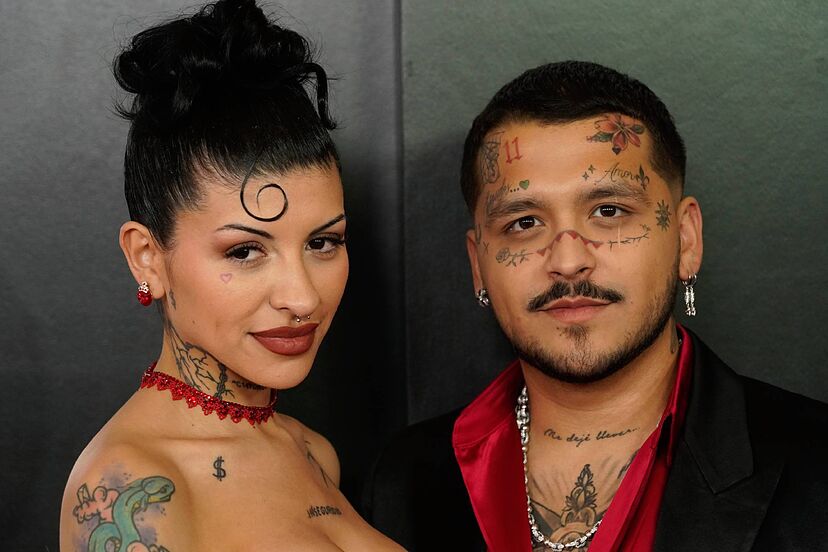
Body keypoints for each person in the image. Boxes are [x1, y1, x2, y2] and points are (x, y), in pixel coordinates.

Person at [363, 61, 828, 551]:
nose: (568, 261)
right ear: (478, 264)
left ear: (686, 240)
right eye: (523, 223)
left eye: (609, 211)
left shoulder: (818, 467)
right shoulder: (401, 483)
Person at [60, 1, 402, 550]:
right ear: (147, 257)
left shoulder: (313, 452)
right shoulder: (129, 487)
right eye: (245, 251)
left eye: (322, 243)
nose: (302, 298)